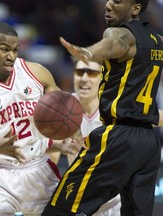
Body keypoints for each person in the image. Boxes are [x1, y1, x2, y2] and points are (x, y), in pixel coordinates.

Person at [43, 0, 163, 215]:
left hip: (118, 136)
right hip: (149, 143)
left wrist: (88, 53)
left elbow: (112, 43)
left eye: (117, 1)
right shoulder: (157, 41)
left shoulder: (121, 34)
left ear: (135, 8)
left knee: (60, 208)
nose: (108, 5)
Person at [0, 22, 79, 215]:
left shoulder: (36, 72)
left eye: (15, 50)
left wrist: (73, 129)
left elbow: (63, 107)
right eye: (5, 49)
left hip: (39, 168)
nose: (11, 56)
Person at [48, 60, 121, 216]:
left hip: (113, 201)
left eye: (92, 73)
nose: (84, 78)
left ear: (103, 77)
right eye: (79, 72)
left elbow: (155, 117)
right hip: (77, 201)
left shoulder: (116, 107)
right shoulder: (63, 109)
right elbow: (50, 160)